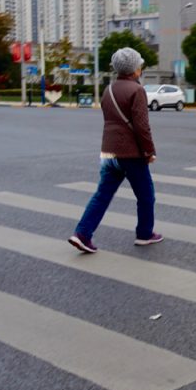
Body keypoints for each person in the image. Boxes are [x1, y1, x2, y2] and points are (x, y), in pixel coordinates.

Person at [69, 47, 163, 253]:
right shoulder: (137, 90)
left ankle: (82, 233)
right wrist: (149, 151)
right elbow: (141, 126)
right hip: (130, 154)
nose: (141, 68)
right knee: (146, 196)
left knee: (102, 195)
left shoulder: (108, 89)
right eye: (140, 65)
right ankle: (145, 234)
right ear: (134, 69)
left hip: (108, 152)